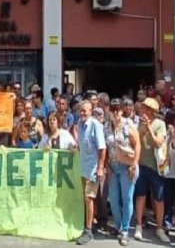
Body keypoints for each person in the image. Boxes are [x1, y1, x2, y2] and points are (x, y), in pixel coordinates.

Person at [134, 98, 170, 243]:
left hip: (156, 168)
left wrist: (148, 128)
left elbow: (157, 143)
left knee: (159, 199)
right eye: (143, 108)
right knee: (140, 196)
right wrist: (141, 130)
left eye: (147, 108)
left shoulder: (160, 124)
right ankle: (138, 226)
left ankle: (160, 228)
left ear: (153, 111)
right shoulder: (139, 123)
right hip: (141, 165)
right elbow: (136, 141)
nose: (144, 111)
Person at [106, 97, 140, 246]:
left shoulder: (128, 125)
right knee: (113, 199)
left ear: (121, 110)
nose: (115, 113)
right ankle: (118, 226)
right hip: (113, 167)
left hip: (127, 167)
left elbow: (137, 145)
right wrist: (107, 167)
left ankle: (125, 230)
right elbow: (105, 148)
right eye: (112, 110)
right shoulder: (106, 126)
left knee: (126, 199)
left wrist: (133, 165)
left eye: (117, 110)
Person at [75, 100, 106, 245]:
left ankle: (88, 230)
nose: (82, 113)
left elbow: (102, 148)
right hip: (83, 167)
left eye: (85, 111)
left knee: (89, 198)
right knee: (85, 199)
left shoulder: (95, 125)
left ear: (90, 111)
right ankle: (87, 224)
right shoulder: (79, 125)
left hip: (93, 169)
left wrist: (100, 168)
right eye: (81, 110)